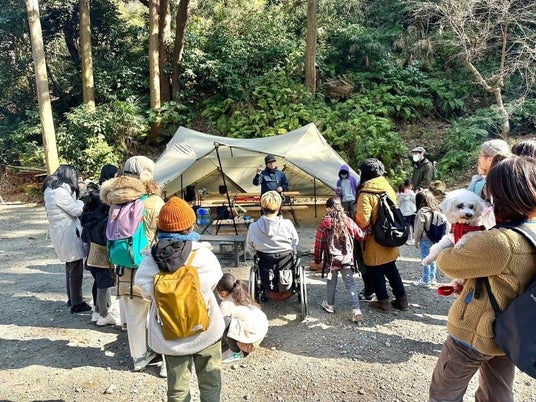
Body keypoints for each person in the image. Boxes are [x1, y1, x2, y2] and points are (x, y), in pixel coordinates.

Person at [429, 155, 536, 402]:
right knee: (497, 394)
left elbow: (448, 263)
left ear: (501, 195)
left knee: (443, 394)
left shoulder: (499, 241)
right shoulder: (531, 229)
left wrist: (449, 245)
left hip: (473, 333)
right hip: (510, 334)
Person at [134, 196, 225, 402]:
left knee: (177, 390)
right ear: (190, 225)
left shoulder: (150, 260)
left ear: (160, 227)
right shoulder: (203, 255)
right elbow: (213, 283)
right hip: (206, 330)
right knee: (210, 384)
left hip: (169, 334)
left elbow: (145, 291)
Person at [100, 155, 165, 372]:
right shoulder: (154, 202)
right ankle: (163, 356)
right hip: (150, 267)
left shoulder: (115, 201)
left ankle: (139, 357)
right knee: (158, 314)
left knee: (135, 317)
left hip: (123, 268)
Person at [355, 158, 408, 312]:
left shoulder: (365, 193)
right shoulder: (387, 187)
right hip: (391, 236)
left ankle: (383, 302)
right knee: (391, 268)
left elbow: (363, 220)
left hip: (374, 240)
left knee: (376, 270)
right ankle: (402, 301)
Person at [43, 165, 92, 314]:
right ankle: (77, 303)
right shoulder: (60, 192)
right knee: (75, 266)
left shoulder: (50, 189)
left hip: (60, 231)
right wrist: (82, 200)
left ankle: (72, 298)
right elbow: (76, 211)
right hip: (67, 231)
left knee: (70, 265)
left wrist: (76, 194)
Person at [313, 198, 368, 323]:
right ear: (341, 207)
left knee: (331, 282)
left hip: (332, 260)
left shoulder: (325, 223)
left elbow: (319, 243)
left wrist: (317, 259)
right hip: (346, 259)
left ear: (327, 209)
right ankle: (356, 310)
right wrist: (368, 230)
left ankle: (330, 305)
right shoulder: (347, 221)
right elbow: (360, 235)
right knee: (350, 284)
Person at [80, 164, 118, 325]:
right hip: (101, 250)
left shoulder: (88, 217)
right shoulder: (103, 218)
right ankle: (103, 314)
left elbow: (84, 236)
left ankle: (98, 310)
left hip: (90, 248)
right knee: (104, 283)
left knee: (98, 281)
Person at [246, 191, 299, 301]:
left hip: (264, 260)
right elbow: (295, 242)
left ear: (262, 207)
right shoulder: (287, 224)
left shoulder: (253, 227)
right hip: (286, 260)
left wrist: (256, 253)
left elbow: (250, 247)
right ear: (279, 207)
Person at [216, 273, 268, 363]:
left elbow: (217, 325)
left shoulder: (226, 304)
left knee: (224, 321)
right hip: (260, 334)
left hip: (249, 344)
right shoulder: (242, 295)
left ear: (223, 293)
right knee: (233, 320)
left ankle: (235, 352)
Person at [468, 139, 511, 228]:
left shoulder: (492, 183)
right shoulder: (509, 176)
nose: (479, 158)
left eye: (480, 155)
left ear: (490, 159)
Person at [413, 190, 449, 288]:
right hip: (436, 239)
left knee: (425, 260)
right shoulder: (438, 211)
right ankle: (432, 279)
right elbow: (447, 225)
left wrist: (416, 241)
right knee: (433, 259)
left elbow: (419, 229)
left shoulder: (421, 212)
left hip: (425, 240)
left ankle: (426, 281)